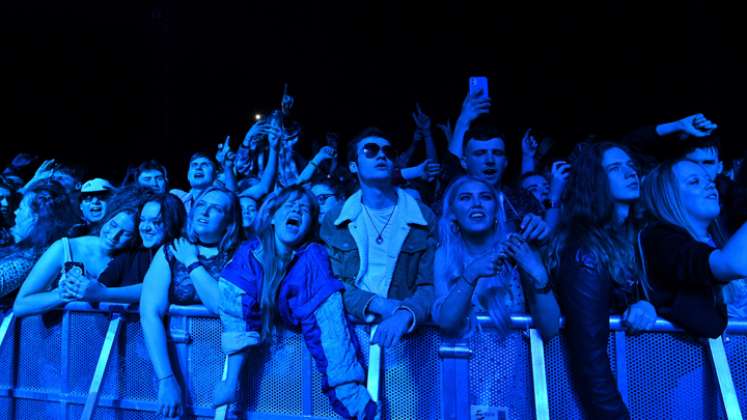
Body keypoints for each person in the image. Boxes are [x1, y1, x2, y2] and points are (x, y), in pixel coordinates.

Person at [215, 186, 377, 418]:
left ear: (310, 226)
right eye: (290, 205)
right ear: (272, 217)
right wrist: (230, 384)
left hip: (301, 372)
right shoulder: (249, 255)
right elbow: (237, 318)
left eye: (304, 209)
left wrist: (348, 393)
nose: (297, 210)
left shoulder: (312, 258)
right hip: (258, 370)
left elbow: (328, 325)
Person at [548, 142, 655, 419]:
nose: (630, 173)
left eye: (631, 166)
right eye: (615, 168)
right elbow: (589, 352)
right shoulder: (586, 249)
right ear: (594, 180)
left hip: (632, 385)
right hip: (592, 400)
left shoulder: (632, 236)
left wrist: (647, 304)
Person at [320, 128, 436, 348]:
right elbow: (332, 283)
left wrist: (405, 313)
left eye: (388, 152)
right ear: (354, 166)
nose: (381, 155)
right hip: (348, 336)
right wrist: (378, 304)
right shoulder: (336, 218)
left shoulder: (422, 216)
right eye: (370, 150)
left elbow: (430, 283)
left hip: (406, 340)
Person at [140, 186, 240, 418]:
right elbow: (150, 313)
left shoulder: (240, 254)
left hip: (223, 365)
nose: (204, 213)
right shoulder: (170, 251)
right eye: (201, 205)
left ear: (230, 221)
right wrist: (166, 379)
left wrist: (192, 262)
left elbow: (220, 306)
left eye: (216, 209)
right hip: (175, 363)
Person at [432, 176, 560, 338]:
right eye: (465, 198)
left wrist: (539, 275)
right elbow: (446, 323)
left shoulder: (516, 249)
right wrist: (472, 273)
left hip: (514, 360)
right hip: (462, 360)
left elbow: (551, 329)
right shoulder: (445, 255)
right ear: (452, 213)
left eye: (485, 197)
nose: (477, 204)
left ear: (496, 210)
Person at [640, 159, 747, 336]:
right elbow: (729, 265)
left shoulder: (721, 238)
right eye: (694, 181)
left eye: (709, 181)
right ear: (668, 195)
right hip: (696, 361)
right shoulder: (660, 239)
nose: (709, 186)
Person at [13, 187, 140, 317]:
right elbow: (21, 305)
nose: (114, 236)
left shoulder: (132, 259)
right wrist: (64, 294)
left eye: (126, 233)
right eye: (113, 225)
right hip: (61, 335)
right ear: (107, 217)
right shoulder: (65, 248)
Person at [96, 191, 186, 301]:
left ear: (172, 222)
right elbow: (99, 285)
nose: (145, 228)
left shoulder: (183, 253)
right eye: (142, 220)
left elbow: (157, 288)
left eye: (155, 222)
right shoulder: (130, 254)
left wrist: (104, 293)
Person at [0, 181, 78, 300]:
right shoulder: (29, 249)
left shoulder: (29, 259)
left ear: (35, 218)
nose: (15, 212)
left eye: (21, 208)